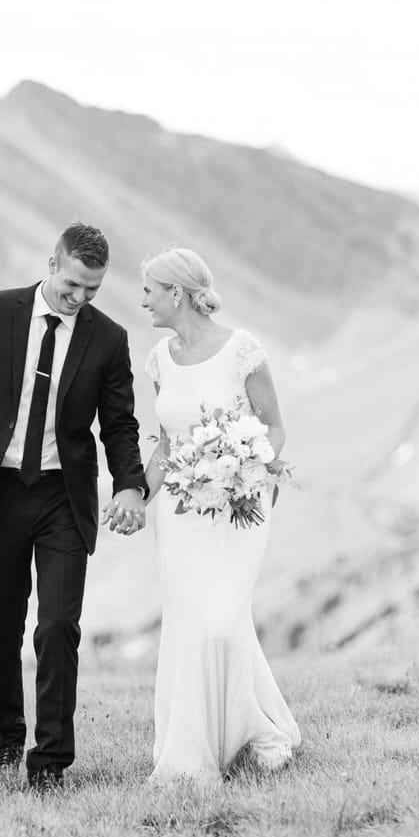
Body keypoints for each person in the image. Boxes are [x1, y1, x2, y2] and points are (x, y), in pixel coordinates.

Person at [0, 223, 149, 792]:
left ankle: (50, 762)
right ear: (53, 262)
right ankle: (6, 738)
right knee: (3, 624)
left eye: (92, 291)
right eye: (73, 284)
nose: (79, 298)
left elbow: (119, 424)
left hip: (62, 497)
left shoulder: (108, 339)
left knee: (57, 626)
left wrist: (129, 484)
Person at [139, 246, 302, 783]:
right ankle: (195, 746)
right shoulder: (159, 360)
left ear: (177, 294)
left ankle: (254, 727)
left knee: (221, 619)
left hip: (239, 509)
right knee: (189, 625)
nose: (144, 302)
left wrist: (250, 467)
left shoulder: (241, 350)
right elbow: (165, 444)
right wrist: (137, 496)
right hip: (181, 514)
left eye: (150, 291)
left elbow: (273, 426)